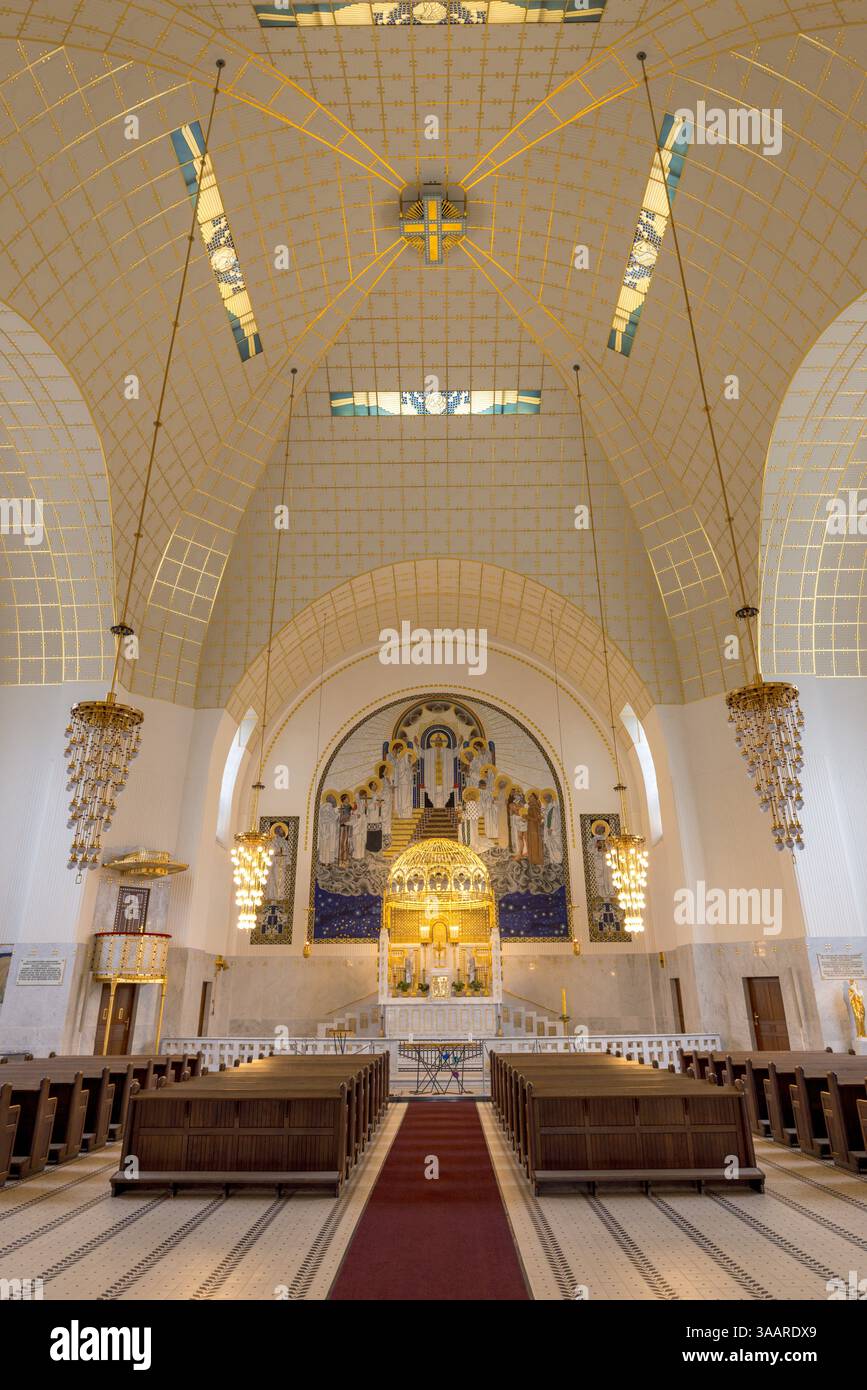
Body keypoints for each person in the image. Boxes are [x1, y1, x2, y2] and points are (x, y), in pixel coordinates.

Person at [542, 790, 563, 865]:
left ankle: (558, 860)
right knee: (550, 845)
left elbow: (554, 818)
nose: (545, 800)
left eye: (547, 798)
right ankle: (553, 860)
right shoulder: (548, 806)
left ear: (550, 798)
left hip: (553, 829)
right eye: (544, 798)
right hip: (549, 829)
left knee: (556, 844)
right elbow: (547, 817)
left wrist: (551, 828)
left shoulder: (554, 807)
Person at [318, 794, 339, 864]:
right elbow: (333, 817)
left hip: (324, 827)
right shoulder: (329, 806)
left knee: (324, 844)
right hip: (328, 827)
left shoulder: (323, 806)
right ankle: (327, 861)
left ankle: (324, 860)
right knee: (328, 845)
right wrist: (338, 814)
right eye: (334, 799)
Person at [526, 792, 543, 867]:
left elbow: (536, 819)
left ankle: (536, 860)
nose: (529, 798)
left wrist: (527, 817)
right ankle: (532, 860)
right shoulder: (531, 807)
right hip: (531, 827)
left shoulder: (534, 807)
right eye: (529, 796)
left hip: (534, 829)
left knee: (534, 843)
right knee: (531, 842)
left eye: (531, 797)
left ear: (534, 799)